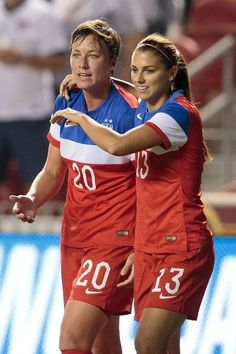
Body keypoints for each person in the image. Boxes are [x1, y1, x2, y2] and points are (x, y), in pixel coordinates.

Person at [50, 32, 215, 354]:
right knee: (164, 347)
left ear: (172, 73)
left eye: (149, 70)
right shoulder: (146, 108)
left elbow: (116, 144)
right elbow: (131, 91)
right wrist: (85, 77)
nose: (139, 78)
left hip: (181, 246)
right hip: (149, 245)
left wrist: (80, 117)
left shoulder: (177, 113)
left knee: (147, 344)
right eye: (135, 69)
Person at [9, 19, 138, 354]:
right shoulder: (66, 102)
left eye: (92, 55)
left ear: (112, 62)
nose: (81, 63)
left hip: (113, 241)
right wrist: (33, 197)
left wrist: (141, 244)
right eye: (75, 54)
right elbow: (53, 172)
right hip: (74, 238)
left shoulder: (130, 113)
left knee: (72, 340)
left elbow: (149, 184)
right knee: (102, 341)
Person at [0, 0, 68, 198]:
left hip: (32, 113)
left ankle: (38, 226)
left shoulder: (43, 14)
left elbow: (60, 60)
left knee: (38, 178)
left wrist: (22, 58)